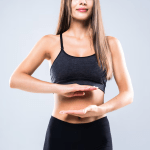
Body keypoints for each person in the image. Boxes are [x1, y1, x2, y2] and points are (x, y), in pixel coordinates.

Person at [9, 0, 134, 149]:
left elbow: (128, 94)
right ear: (67, 3)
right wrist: (59, 88)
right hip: (60, 132)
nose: (82, 1)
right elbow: (16, 79)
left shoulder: (110, 44)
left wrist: (101, 109)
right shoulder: (50, 42)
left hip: (97, 132)